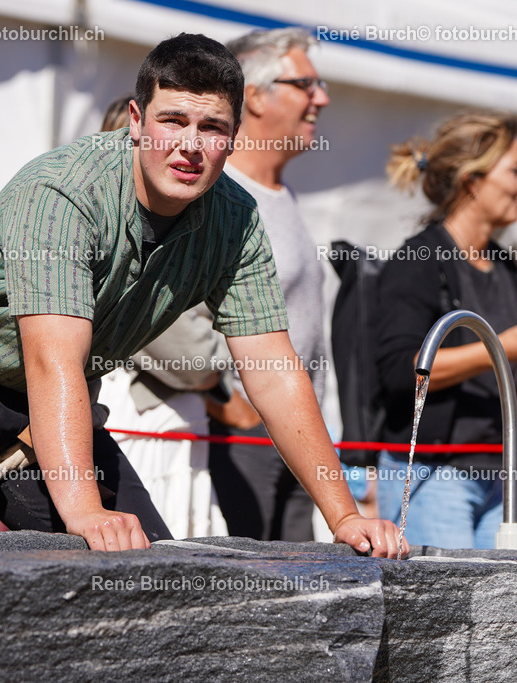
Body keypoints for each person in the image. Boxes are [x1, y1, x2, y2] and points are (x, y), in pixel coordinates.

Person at [0, 33, 404, 557]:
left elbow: (274, 370)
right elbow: (52, 359)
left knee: (151, 577)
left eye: (211, 128)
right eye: (173, 120)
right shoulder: (64, 190)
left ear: (234, 136)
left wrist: (345, 516)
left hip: (44, 394)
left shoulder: (237, 218)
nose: (190, 145)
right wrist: (84, 512)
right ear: (135, 120)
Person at [375, 112, 517, 549]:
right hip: (432, 476)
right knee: (447, 614)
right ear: (473, 181)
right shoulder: (417, 260)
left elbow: (511, 363)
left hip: (496, 479)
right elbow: (401, 372)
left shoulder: (504, 264)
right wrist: (503, 350)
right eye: (515, 170)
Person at [205, 27, 330, 542]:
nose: (322, 98)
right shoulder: (220, 191)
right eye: (306, 84)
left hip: (298, 434)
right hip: (247, 438)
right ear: (254, 96)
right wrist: (224, 399)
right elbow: (173, 303)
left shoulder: (280, 194)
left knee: (297, 596)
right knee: (248, 600)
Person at [97, 93, 229, 539]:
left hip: (174, 435)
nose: (184, 148)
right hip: (142, 432)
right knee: (148, 555)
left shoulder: (205, 222)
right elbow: (196, 360)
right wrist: (221, 353)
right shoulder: (115, 238)